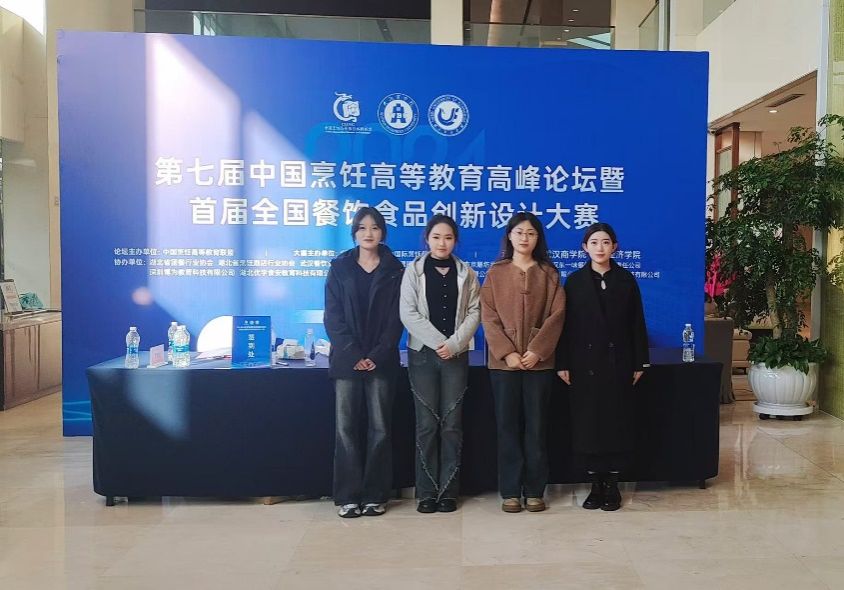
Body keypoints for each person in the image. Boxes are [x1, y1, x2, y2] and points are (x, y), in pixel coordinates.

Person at [555, 222, 649, 512]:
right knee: (589, 425)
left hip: (618, 363)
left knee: (616, 423)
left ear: (614, 247)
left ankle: (613, 485)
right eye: (594, 242)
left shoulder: (626, 280)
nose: (600, 247)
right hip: (584, 365)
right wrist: (562, 362)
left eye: (605, 242)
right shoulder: (574, 282)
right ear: (585, 247)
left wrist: (640, 361)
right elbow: (565, 327)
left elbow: (636, 323)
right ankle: (595, 484)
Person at [480, 212, 566, 513]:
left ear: (538, 238)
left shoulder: (549, 273)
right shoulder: (496, 272)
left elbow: (557, 315)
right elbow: (488, 315)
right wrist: (507, 352)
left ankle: (534, 491)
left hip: (538, 364)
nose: (524, 238)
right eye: (519, 232)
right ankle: (509, 491)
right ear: (509, 236)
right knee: (507, 427)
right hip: (503, 365)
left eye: (531, 233)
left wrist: (537, 350)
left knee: (536, 427)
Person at [324, 207, 404, 518]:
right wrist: (354, 354)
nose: (368, 233)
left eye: (374, 227)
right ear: (354, 232)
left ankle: (375, 495)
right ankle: (348, 496)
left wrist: (376, 355)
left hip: (381, 361)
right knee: (346, 429)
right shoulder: (340, 267)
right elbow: (333, 316)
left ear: (383, 232)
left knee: (380, 428)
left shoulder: (395, 269)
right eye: (362, 228)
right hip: (347, 361)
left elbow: (397, 318)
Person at [400, 214, 481, 514]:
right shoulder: (413, 271)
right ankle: (426, 493)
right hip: (423, 355)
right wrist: (438, 342)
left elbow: (475, 311)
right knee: (426, 425)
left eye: (448, 237)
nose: (442, 243)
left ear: (455, 241)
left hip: (456, 356)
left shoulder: (467, 273)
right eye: (436, 237)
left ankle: (448, 492)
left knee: (451, 425)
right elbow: (408, 313)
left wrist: (454, 344)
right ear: (427, 239)